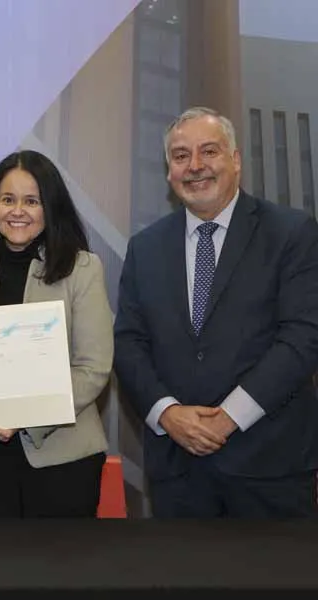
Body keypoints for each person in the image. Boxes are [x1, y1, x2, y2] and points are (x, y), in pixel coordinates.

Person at [114, 107, 318, 517]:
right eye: (180, 155)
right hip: (178, 473)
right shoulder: (145, 247)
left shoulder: (292, 233)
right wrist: (167, 414)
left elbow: (302, 338)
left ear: (236, 160)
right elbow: (128, 342)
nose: (195, 167)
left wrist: (228, 417)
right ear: (169, 171)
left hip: (270, 466)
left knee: (273, 583)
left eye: (209, 151)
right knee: (183, 583)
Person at [0, 150, 113, 518]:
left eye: (31, 201)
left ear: (50, 207)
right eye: (7, 199)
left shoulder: (82, 269)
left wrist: (27, 417)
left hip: (61, 459)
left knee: (55, 573)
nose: (17, 211)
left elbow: (93, 369)